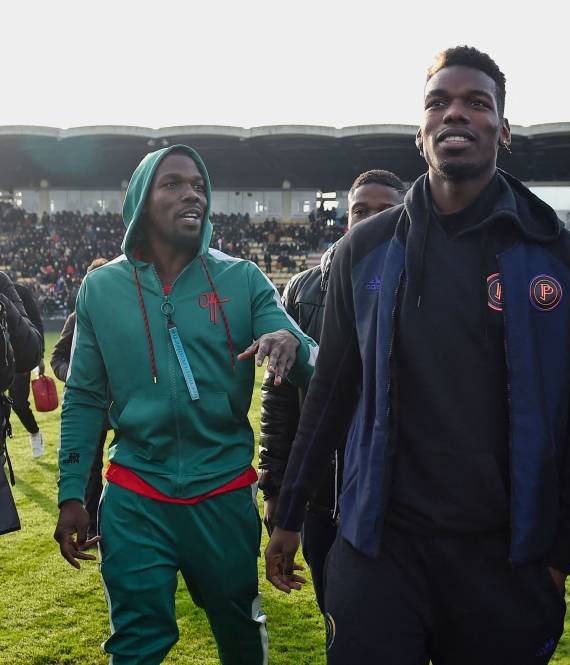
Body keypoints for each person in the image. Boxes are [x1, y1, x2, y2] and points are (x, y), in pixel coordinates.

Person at [265, 46, 570, 664]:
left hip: (505, 557)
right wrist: (289, 513)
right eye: (438, 102)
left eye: (477, 103)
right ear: (420, 129)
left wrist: (560, 557)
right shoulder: (363, 252)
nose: (456, 113)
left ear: (502, 128)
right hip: (380, 548)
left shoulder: (557, 255)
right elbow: (332, 392)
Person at [52, 145, 317, 665]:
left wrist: (293, 346)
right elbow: (83, 397)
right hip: (135, 496)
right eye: (172, 184)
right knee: (135, 642)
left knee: (240, 630)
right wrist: (70, 493)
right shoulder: (101, 288)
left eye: (197, 183)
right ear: (140, 201)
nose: (191, 192)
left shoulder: (241, 278)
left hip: (221, 495)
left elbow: (311, 356)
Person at [258, 169, 405, 625]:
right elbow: (279, 399)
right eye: (361, 210)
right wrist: (276, 488)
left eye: (386, 212)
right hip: (323, 496)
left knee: (400, 622)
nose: (370, 220)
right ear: (346, 219)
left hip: (400, 497)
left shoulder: (425, 284)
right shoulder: (303, 289)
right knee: (337, 617)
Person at [50, 257, 110, 538]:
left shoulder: (124, 313)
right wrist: (75, 375)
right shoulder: (76, 318)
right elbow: (57, 357)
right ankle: (93, 524)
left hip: (119, 405)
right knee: (92, 468)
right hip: (92, 406)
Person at [0, 269, 44, 535]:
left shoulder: (10, 287)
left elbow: (31, 348)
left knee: (20, 402)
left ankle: (35, 433)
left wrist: (3, 305)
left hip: (15, 363)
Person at [7, 282, 45, 457]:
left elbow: (36, 322)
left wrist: (40, 355)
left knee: (19, 403)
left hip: (19, 357)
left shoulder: (21, 291)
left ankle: (35, 432)